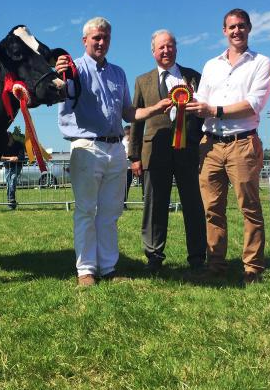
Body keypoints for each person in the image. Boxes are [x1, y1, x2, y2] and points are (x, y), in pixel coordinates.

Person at [55, 17, 172, 287]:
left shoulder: (118, 73)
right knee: (86, 210)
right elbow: (59, 91)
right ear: (84, 40)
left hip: (116, 146)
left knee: (110, 212)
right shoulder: (73, 69)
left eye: (106, 37)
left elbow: (128, 113)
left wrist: (155, 109)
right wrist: (59, 74)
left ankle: (108, 267)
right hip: (87, 145)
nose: (101, 42)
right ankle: (86, 269)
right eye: (96, 37)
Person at [186, 8, 270, 284]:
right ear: (224, 31)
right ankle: (216, 264)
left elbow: (253, 104)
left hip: (242, 142)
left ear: (249, 28)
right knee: (212, 209)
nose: (237, 31)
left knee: (249, 207)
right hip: (210, 145)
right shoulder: (211, 65)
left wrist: (215, 110)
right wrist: (185, 102)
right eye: (232, 27)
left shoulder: (261, 63)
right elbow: (201, 100)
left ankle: (252, 267)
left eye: (241, 26)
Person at [128, 29, 207, 273]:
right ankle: (153, 256)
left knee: (194, 205)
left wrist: (203, 144)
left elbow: (203, 115)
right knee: (154, 206)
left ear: (176, 48)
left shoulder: (193, 77)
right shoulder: (142, 80)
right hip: (154, 152)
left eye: (170, 46)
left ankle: (197, 257)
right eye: (161, 47)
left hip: (189, 151)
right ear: (153, 51)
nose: (166, 50)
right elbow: (136, 120)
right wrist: (134, 156)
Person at [0, 131, 26, 209]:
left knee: (13, 179)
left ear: (11, 138)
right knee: (9, 184)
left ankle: (11, 199)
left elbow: (22, 156)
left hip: (17, 166)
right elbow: (0, 157)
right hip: (7, 167)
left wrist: (17, 158)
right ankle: (11, 202)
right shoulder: (3, 145)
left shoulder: (19, 144)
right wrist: (10, 158)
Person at [122, 125, 133, 203]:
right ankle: (122, 202)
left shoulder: (133, 142)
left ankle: (124, 202)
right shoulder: (121, 141)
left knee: (127, 185)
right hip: (123, 166)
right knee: (122, 186)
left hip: (131, 167)